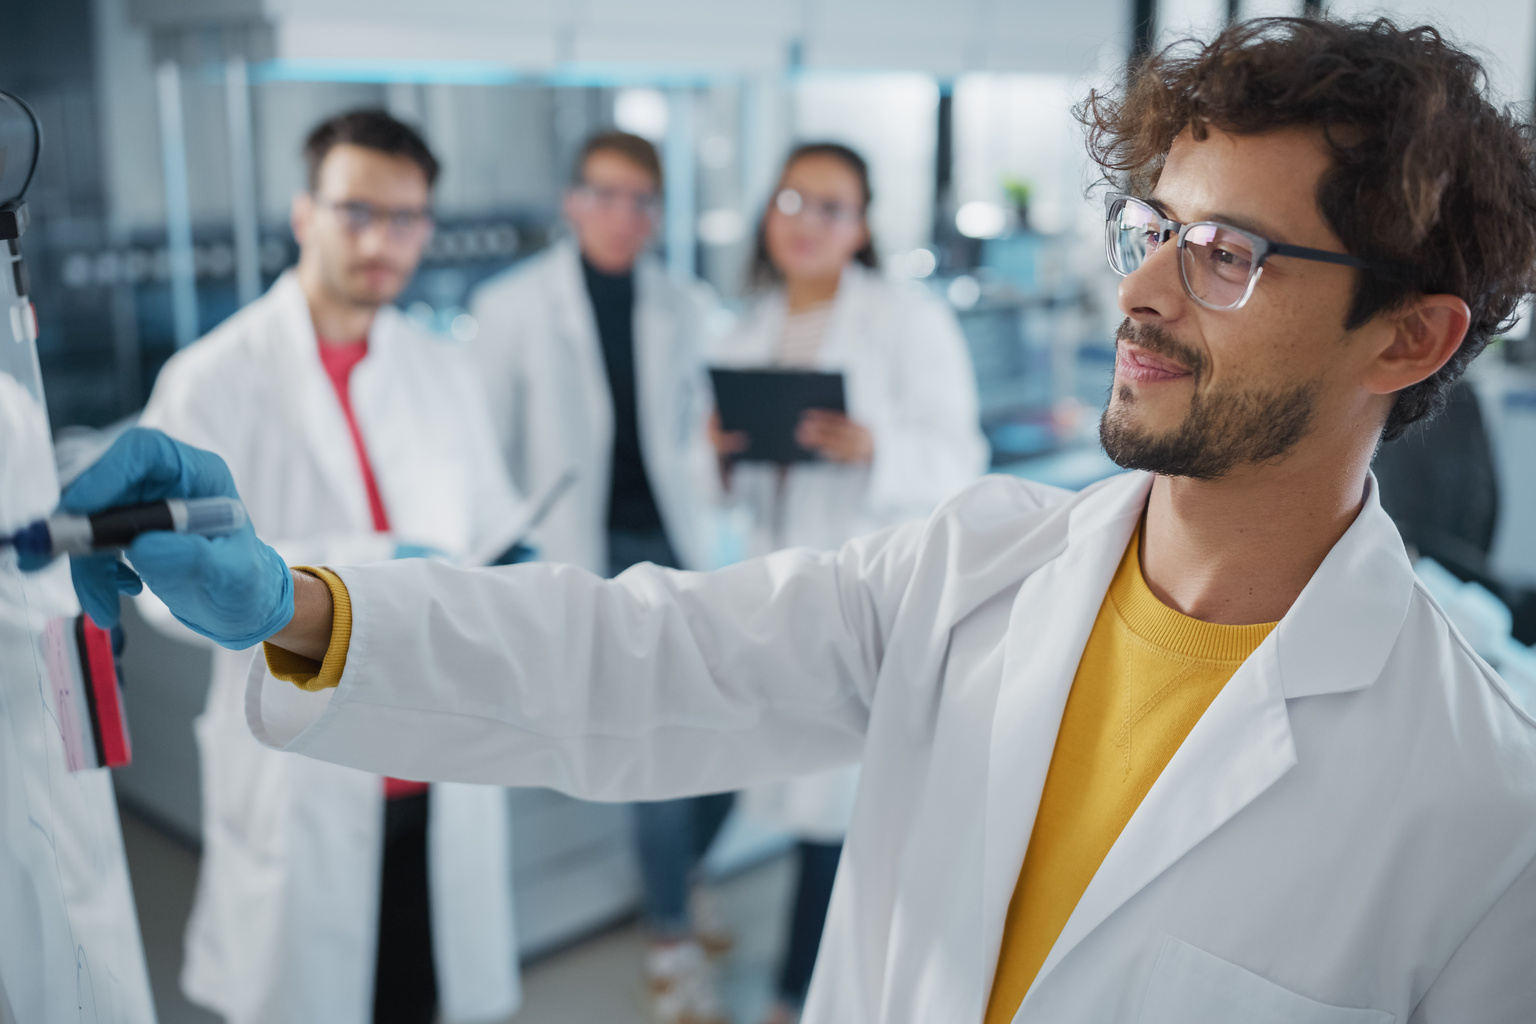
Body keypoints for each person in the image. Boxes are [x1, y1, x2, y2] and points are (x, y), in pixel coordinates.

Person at [65, 17, 1536, 1023]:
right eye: (1150, 231)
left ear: (1407, 339)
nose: (1141, 294)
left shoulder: (1482, 817)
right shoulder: (976, 569)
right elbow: (641, 659)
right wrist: (306, 607)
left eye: (1226, 254)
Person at [131, 110, 525, 1024]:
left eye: (407, 219)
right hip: (303, 765)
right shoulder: (212, 378)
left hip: (437, 760)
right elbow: (163, 589)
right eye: (358, 212)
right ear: (306, 213)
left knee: (424, 993)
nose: (382, 241)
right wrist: (369, 565)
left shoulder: (440, 369)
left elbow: (494, 529)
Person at [709, 142, 986, 1023]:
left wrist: (876, 449)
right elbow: (727, 486)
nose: (809, 223)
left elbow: (961, 459)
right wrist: (716, 460)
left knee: (843, 817)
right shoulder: (743, 329)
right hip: (771, 590)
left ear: (860, 227)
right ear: (768, 213)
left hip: (870, 600)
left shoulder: (908, 322)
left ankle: (801, 998)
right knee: (780, 789)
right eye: (794, 200)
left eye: (833, 208)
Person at [467, 131, 728, 1022]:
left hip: (678, 540)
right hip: (583, 552)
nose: (624, 216)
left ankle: (681, 878)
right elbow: (488, 456)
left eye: (641, 201)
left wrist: (717, 460)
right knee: (655, 745)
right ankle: (671, 940)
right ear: (572, 200)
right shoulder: (508, 307)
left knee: (730, 731)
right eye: (606, 195)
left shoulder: (682, 304)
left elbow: (696, 429)